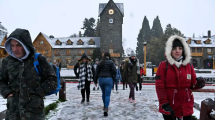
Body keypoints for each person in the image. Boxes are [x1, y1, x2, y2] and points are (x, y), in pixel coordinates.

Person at [0, 28, 57, 120]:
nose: (15, 49)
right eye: (12, 45)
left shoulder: (39, 59)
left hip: (34, 114)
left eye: (18, 45)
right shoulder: (7, 62)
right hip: (13, 115)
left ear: (26, 45)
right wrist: (7, 93)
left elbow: (52, 80)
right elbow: (1, 81)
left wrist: (38, 93)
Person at [155, 35, 205, 120]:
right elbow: (160, 87)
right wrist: (164, 103)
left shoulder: (189, 66)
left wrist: (199, 84)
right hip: (170, 107)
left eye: (180, 48)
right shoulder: (163, 65)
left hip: (186, 107)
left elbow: (192, 85)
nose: (177, 51)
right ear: (170, 50)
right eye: (174, 48)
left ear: (183, 50)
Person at [94, 52, 116, 117]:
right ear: (109, 56)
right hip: (109, 79)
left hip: (101, 79)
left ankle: (104, 105)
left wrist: (95, 81)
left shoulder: (100, 63)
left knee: (103, 93)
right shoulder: (111, 62)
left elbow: (96, 72)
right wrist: (113, 76)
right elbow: (114, 71)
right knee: (107, 95)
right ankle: (106, 108)